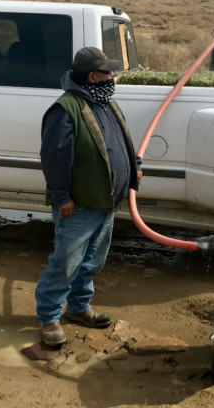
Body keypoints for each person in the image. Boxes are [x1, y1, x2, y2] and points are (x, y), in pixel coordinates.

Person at [35, 47, 142, 347]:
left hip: (106, 203)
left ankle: (79, 308)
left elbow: (122, 140)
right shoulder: (66, 109)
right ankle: (50, 317)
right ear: (93, 76)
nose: (113, 76)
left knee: (91, 261)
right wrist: (61, 197)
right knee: (65, 263)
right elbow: (53, 158)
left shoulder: (107, 103)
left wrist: (136, 167)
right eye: (109, 72)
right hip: (79, 206)